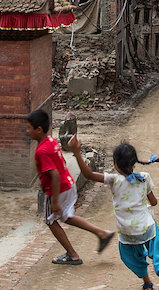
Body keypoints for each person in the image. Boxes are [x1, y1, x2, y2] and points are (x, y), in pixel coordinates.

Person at [69, 135, 159, 290]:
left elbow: (88, 174)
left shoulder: (114, 181)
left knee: (133, 257)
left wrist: (77, 153)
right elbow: (154, 202)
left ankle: (147, 283)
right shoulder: (144, 177)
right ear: (134, 162)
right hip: (146, 227)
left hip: (127, 232)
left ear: (115, 164)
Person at [26, 109, 114, 265]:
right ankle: (101, 233)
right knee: (67, 217)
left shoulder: (41, 151)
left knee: (50, 221)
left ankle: (72, 255)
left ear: (38, 129)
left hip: (56, 189)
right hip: (68, 183)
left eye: (29, 127)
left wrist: (54, 201)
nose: (27, 131)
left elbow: (53, 175)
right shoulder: (52, 142)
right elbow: (62, 164)